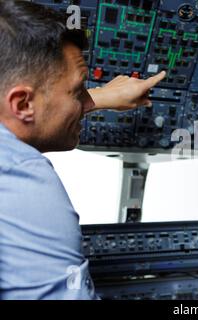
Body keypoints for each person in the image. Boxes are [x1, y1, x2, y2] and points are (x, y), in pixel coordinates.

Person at [0, 1, 165, 299]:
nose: (88, 104)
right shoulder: (21, 176)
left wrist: (102, 95)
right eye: (78, 91)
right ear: (23, 104)